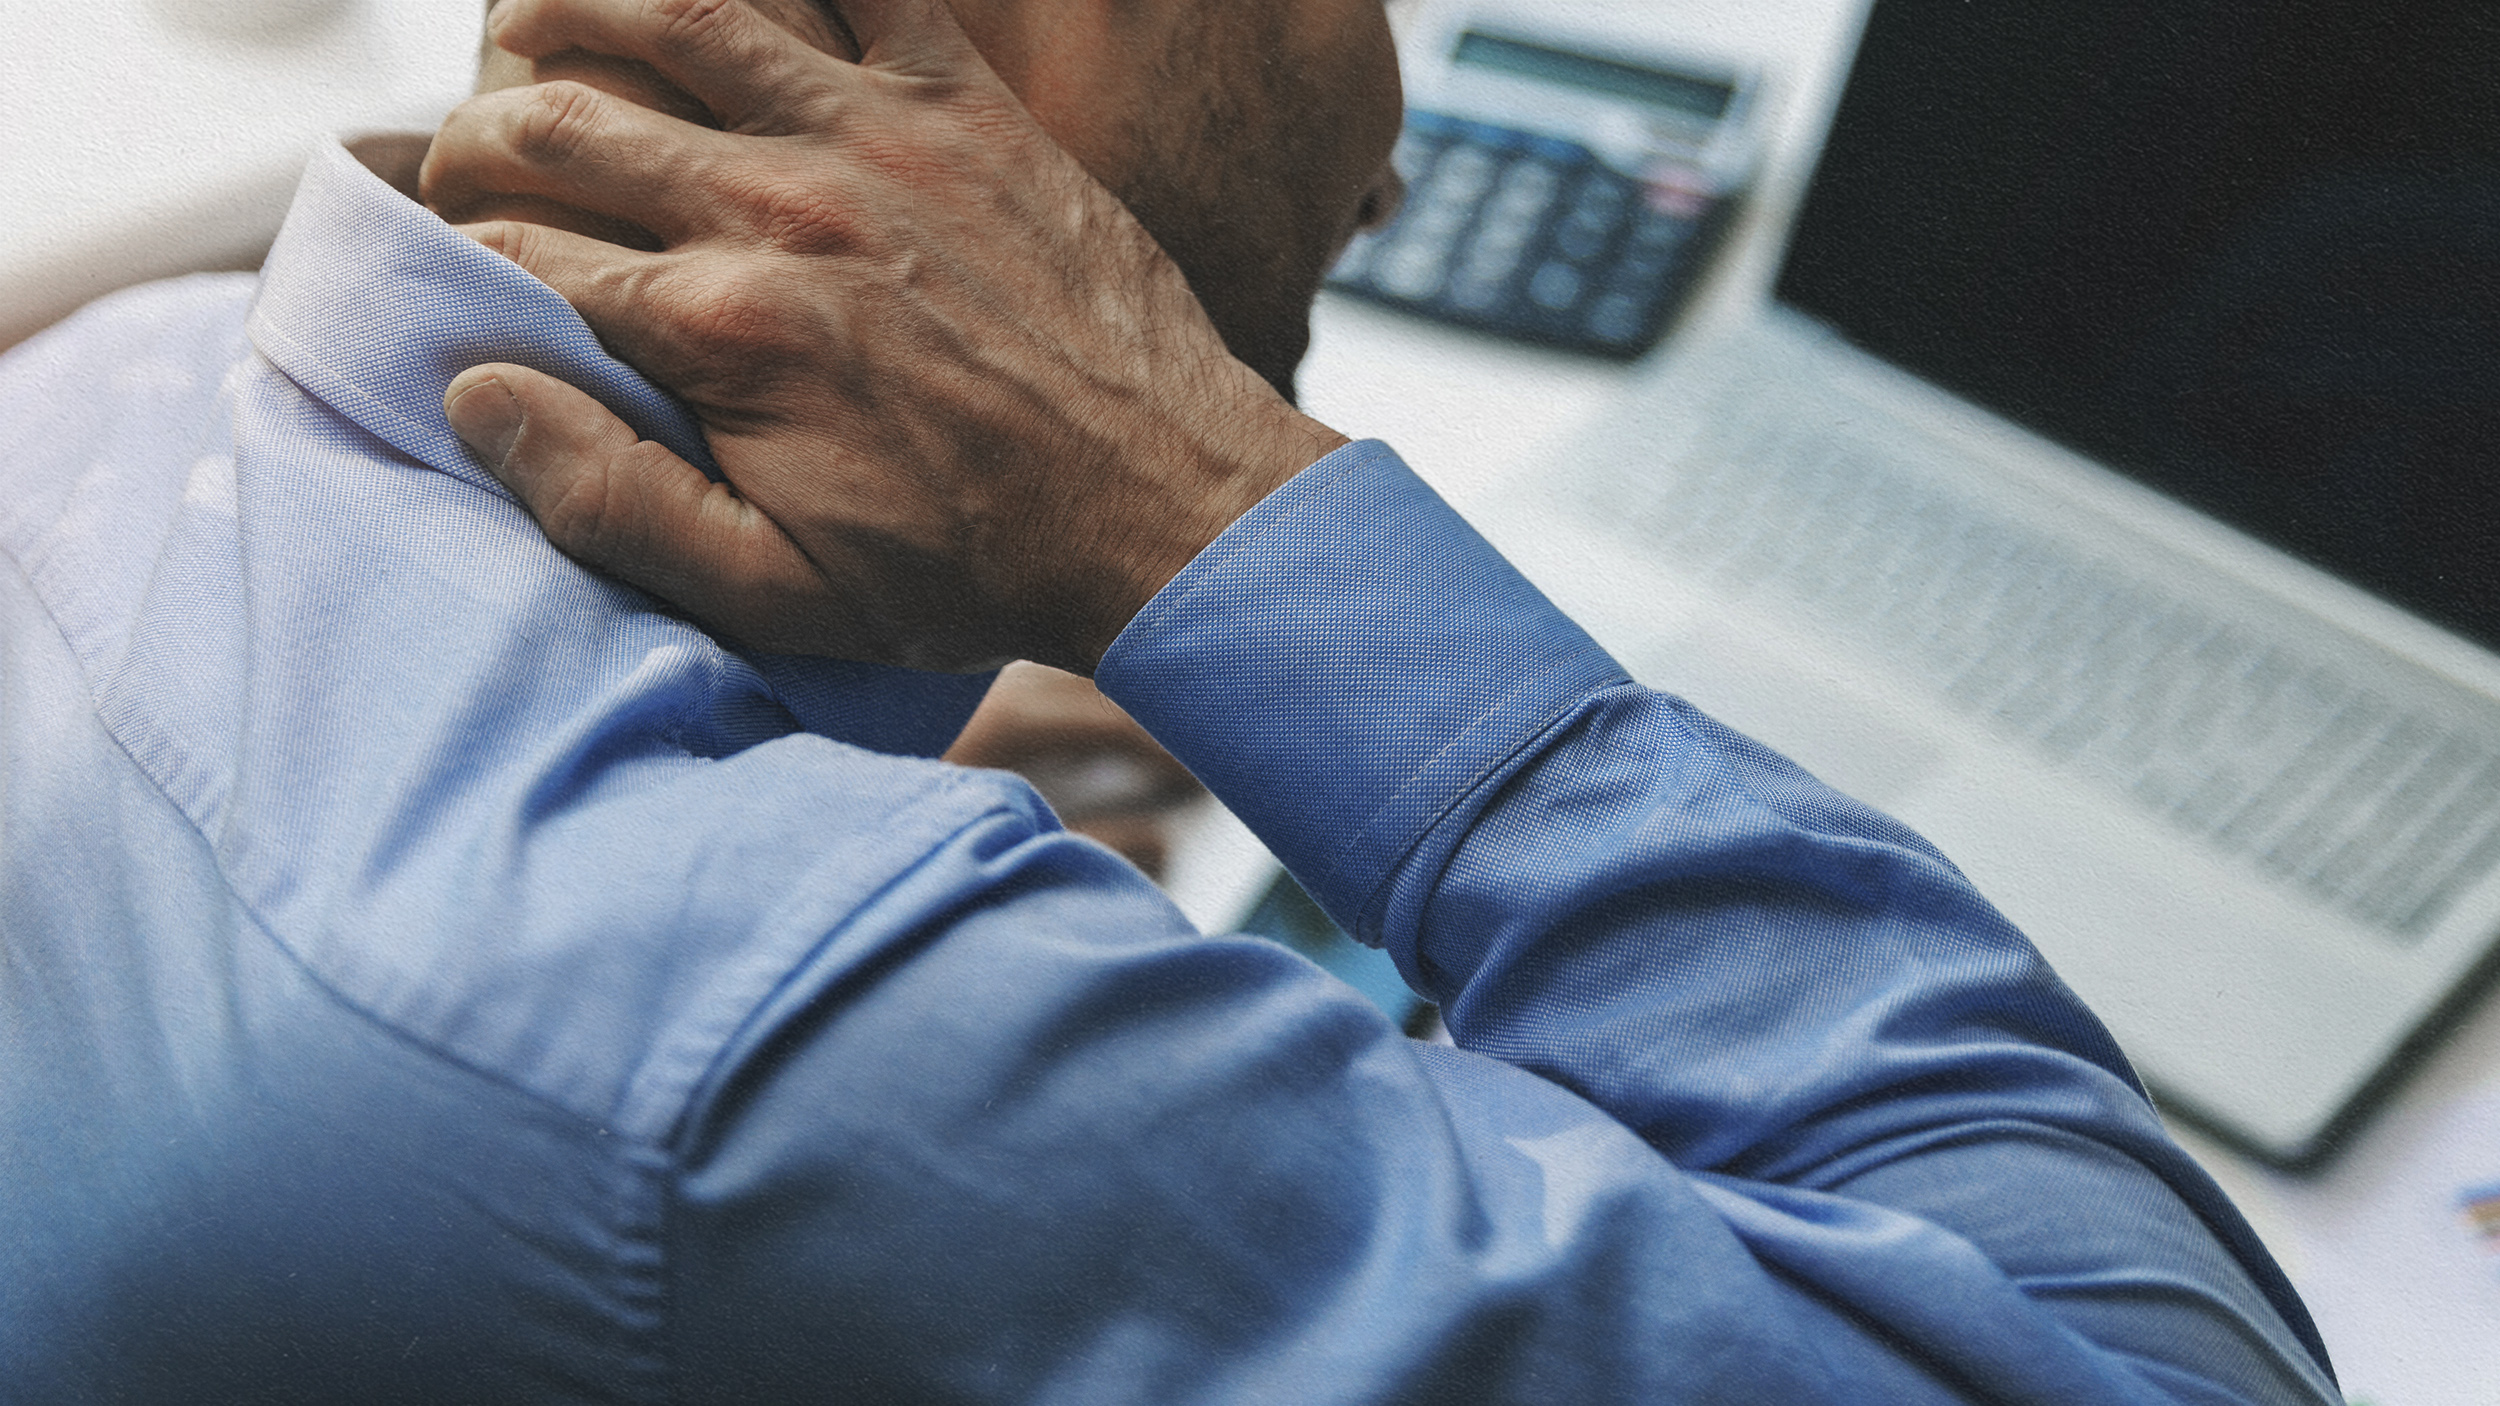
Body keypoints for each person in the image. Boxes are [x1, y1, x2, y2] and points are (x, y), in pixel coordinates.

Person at [0, 0, 2342, 1400]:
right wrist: (1207, 512)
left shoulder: (103, 398)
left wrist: (856, 721)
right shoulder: (779, 1027)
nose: (1391, 118)